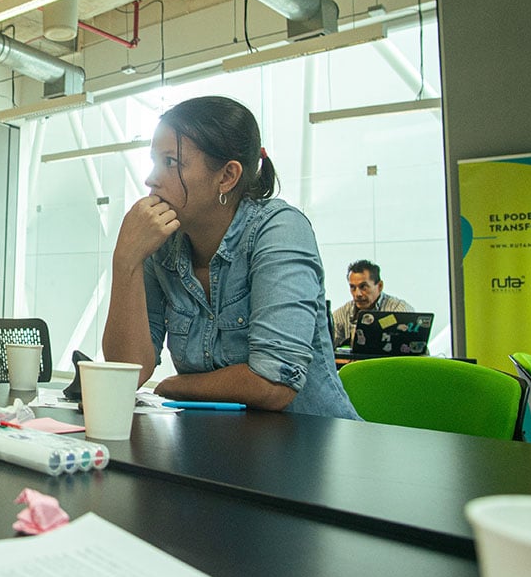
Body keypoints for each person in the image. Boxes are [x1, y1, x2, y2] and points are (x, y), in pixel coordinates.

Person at [102, 96, 359, 419]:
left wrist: (177, 385)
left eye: (170, 162)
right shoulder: (163, 245)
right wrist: (126, 261)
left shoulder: (279, 229)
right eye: (154, 161)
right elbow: (126, 373)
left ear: (226, 176)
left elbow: (273, 383)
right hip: (221, 449)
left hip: (312, 450)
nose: (151, 179)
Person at [331, 260, 413, 347]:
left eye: (363, 287)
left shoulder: (399, 310)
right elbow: (326, 351)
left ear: (380, 286)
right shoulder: (341, 314)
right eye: (353, 287)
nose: (357, 294)